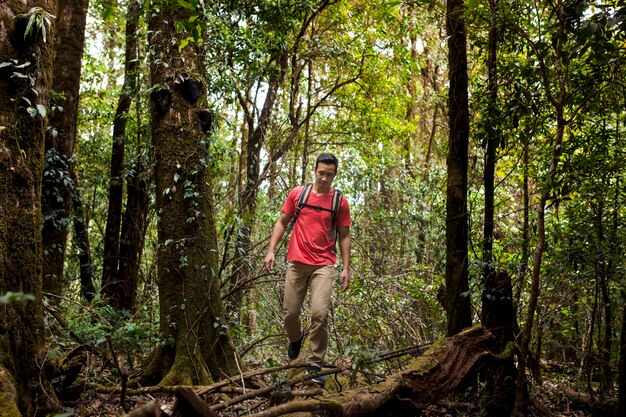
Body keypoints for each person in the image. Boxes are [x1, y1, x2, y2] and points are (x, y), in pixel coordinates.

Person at [263, 153, 351, 384]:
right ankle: (296, 338)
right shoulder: (298, 194)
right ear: (314, 170)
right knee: (290, 313)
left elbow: (344, 235)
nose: (324, 178)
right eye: (321, 173)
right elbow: (282, 222)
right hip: (296, 262)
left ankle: (315, 365)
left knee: (319, 314)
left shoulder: (338, 202)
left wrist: (345, 268)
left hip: (323, 264)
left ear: (335, 175)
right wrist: (271, 250)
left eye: (329, 175)